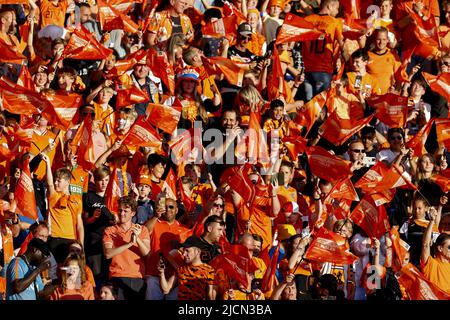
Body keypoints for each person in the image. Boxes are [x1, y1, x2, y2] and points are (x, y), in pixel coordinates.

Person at [103, 196, 150, 300]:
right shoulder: (110, 230)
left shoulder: (142, 229)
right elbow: (108, 254)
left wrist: (137, 238)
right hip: (117, 276)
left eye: (126, 211)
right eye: (120, 210)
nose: (122, 213)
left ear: (133, 213)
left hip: (138, 277)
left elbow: (147, 253)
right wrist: (129, 244)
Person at [41, 154, 84, 264]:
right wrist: (47, 163)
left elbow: (80, 225)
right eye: (55, 180)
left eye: (59, 180)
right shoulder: (54, 196)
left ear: (68, 182)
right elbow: (50, 184)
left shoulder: (76, 199)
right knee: (56, 272)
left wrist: (81, 245)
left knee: (70, 270)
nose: (56, 182)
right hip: (54, 239)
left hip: (71, 240)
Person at [159, 236, 216, 300]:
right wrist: (161, 273)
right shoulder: (180, 269)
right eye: (184, 250)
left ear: (197, 251)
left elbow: (210, 296)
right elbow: (166, 290)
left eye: (187, 251)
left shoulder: (209, 270)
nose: (184, 254)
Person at [421, 207, 450, 293]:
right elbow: (425, 245)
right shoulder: (430, 264)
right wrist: (432, 221)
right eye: (449, 247)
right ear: (440, 248)